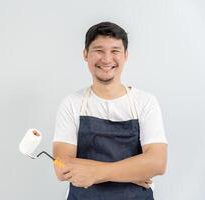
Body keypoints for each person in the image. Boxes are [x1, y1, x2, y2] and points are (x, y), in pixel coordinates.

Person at [52, 22, 168, 200]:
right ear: (85, 54)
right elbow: (62, 167)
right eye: (99, 50)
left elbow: (157, 163)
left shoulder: (145, 102)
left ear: (125, 55)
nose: (107, 59)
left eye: (115, 51)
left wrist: (95, 173)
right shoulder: (72, 104)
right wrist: (133, 173)